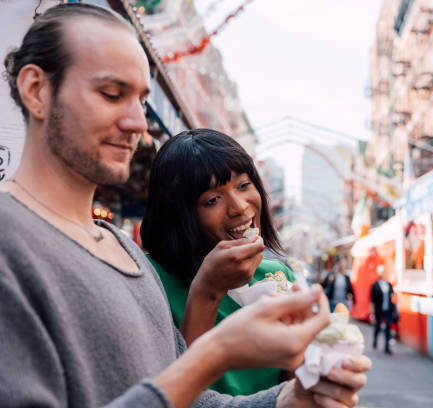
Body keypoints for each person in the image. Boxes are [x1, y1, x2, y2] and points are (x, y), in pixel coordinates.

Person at [0, 3, 369, 407]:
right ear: (36, 90)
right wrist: (216, 352)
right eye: (111, 94)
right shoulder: (11, 246)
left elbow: (187, 400)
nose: (138, 122)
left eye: (140, 100)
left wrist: (294, 399)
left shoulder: (126, 253)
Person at [140, 129, 367, 397]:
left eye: (244, 185)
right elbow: (167, 394)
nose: (239, 207)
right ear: (181, 213)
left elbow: (294, 384)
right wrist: (208, 290)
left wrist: (321, 361)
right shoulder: (148, 280)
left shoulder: (278, 274)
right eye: (212, 199)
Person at [370, 265, 394, 354]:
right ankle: (375, 340)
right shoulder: (375, 285)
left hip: (388, 309)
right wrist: (372, 312)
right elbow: (372, 300)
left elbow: (392, 296)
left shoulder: (388, 285)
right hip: (379, 310)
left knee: (388, 327)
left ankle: (387, 346)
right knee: (378, 326)